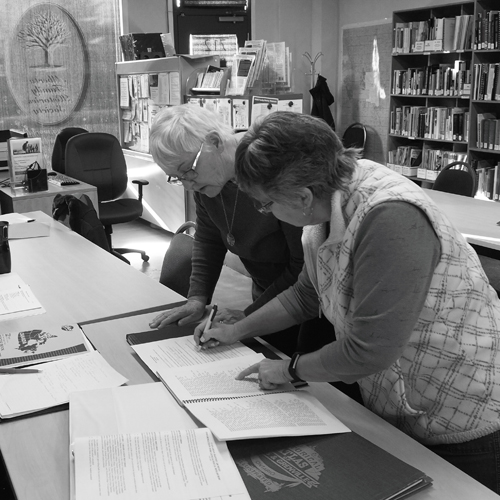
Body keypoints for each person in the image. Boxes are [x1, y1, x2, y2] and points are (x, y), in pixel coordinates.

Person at [194, 111, 500, 494]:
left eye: (265, 204)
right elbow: (306, 294)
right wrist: (236, 329)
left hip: (462, 410)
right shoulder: (324, 199)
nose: (265, 212)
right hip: (400, 399)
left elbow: (368, 351)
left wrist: (289, 370)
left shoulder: (389, 217)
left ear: (301, 197)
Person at [147, 104, 305, 355]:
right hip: (267, 293)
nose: (188, 184)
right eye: (177, 177)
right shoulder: (208, 181)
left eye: (188, 171)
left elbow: (302, 266)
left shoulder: (272, 169)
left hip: (307, 300)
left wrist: (248, 317)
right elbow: (209, 239)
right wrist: (197, 298)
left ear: (214, 142)